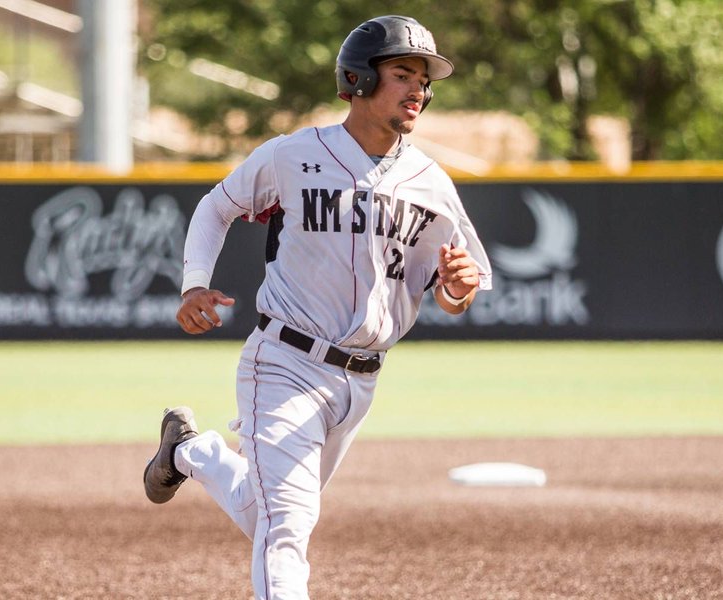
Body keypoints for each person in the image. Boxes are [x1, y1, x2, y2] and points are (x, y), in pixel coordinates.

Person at [142, 15, 492, 599]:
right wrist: (193, 284)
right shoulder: (294, 155)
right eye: (403, 73)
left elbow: (453, 293)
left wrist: (460, 286)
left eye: (426, 81)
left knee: (265, 512)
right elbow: (215, 207)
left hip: (361, 382)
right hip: (283, 361)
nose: (420, 91)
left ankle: (191, 451)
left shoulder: (432, 184)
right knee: (289, 527)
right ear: (357, 79)